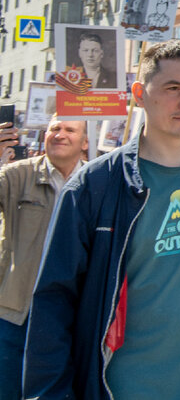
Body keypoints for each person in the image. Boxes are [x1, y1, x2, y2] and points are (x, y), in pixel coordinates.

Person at [24, 39, 180, 400]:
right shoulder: (95, 185)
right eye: (173, 88)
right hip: (120, 388)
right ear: (139, 94)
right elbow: (54, 303)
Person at [0, 117, 87, 400]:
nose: (60, 134)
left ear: (85, 142)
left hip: (67, 319)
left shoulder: (97, 184)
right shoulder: (17, 176)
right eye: (54, 129)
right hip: (14, 317)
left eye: (69, 130)